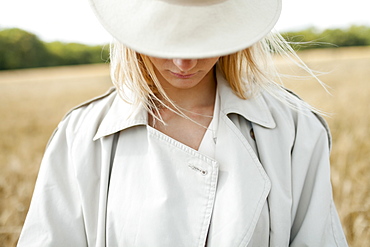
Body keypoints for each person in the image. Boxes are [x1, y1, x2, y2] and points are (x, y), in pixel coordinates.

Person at [18, 0, 348, 246]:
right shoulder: (79, 137)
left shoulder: (295, 130)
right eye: (166, 36)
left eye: (200, 35)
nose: (183, 61)